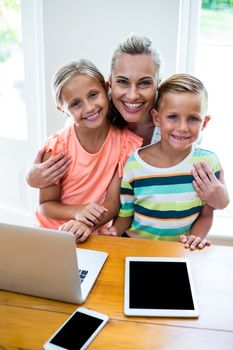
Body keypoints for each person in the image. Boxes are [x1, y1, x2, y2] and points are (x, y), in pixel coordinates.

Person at [26, 34, 229, 210]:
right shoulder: (97, 116)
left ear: (158, 83)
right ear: (109, 83)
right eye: (123, 82)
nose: (132, 95)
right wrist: (30, 176)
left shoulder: (176, 127)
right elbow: (69, 137)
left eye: (145, 83)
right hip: (109, 226)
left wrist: (221, 199)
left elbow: (206, 189)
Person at [103, 74, 224, 250]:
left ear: (204, 122)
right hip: (135, 249)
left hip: (178, 253)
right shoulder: (134, 165)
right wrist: (114, 230)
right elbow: (125, 216)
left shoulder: (208, 163)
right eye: (173, 117)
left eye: (193, 118)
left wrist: (194, 238)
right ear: (157, 118)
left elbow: (206, 214)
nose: (182, 127)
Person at [35, 59, 142, 242]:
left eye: (93, 95)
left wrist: (86, 224)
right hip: (52, 235)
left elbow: (113, 203)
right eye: (76, 103)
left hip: (93, 235)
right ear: (62, 109)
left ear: (105, 87)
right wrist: (78, 212)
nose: (89, 107)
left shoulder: (126, 145)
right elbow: (45, 205)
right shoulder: (58, 147)